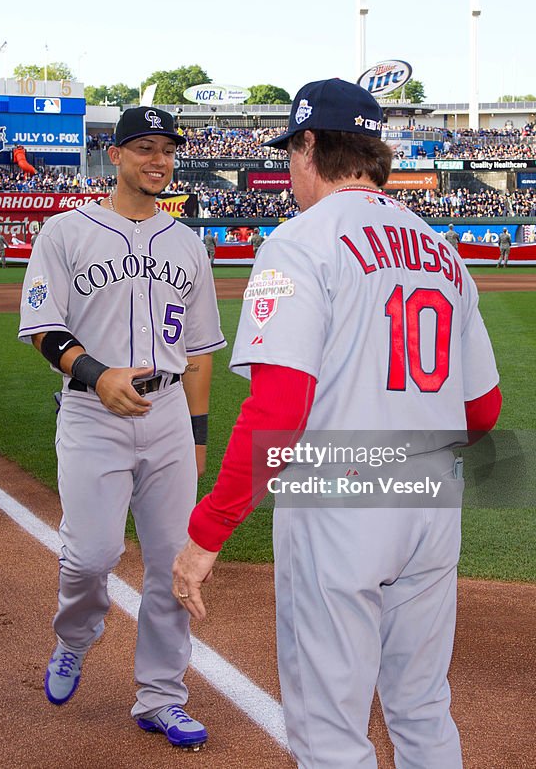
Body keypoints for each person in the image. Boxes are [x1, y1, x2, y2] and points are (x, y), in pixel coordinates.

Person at [171, 78, 502, 769]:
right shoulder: (444, 251)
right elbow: (482, 410)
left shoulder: (298, 243)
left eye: (291, 149)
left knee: (329, 731)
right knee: (421, 707)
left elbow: (277, 411)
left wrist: (207, 531)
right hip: (431, 496)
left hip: (339, 497)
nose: (288, 167)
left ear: (313, 143)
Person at [18, 106, 225, 750]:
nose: (157, 160)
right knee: (91, 556)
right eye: (143, 148)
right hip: (92, 411)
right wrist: (97, 374)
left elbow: (197, 352)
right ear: (115, 155)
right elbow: (44, 330)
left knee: (173, 565)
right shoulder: (65, 232)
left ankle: (161, 695)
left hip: (166, 417)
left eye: (166, 149)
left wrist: (195, 436)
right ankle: (75, 637)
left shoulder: (188, 243)